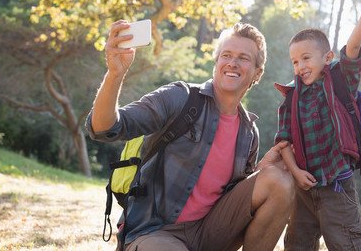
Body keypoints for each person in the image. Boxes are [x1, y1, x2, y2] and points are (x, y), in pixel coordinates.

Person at [86, 20, 295, 251]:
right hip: (156, 232)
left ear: (257, 73)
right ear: (216, 62)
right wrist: (115, 74)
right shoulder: (180, 97)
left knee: (279, 181)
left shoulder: (248, 132)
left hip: (209, 234)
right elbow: (104, 128)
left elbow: (231, 200)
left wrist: (261, 172)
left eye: (243, 58)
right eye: (226, 55)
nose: (232, 63)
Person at [274, 0, 361, 251]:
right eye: (295, 61)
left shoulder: (340, 81)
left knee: (348, 244)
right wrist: (296, 173)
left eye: (306, 58)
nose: (300, 66)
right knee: (297, 244)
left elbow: (353, 47)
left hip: (338, 187)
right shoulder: (291, 98)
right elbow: (283, 143)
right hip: (305, 190)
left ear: (328, 57)